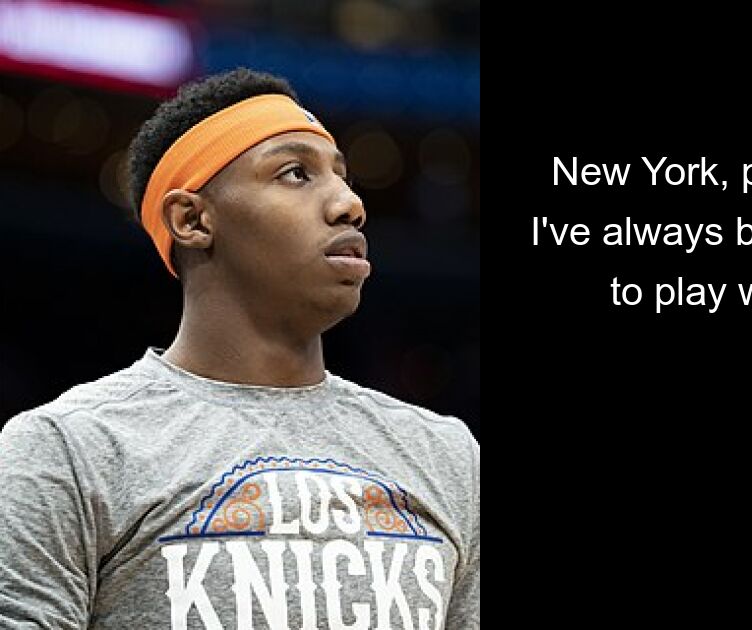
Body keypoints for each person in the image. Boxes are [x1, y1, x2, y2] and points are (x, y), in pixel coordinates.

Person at [0, 68, 479, 629]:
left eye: (343, 178)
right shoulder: (68, 451)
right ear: (193, 219)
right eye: (296, 173)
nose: (350, 204)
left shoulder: (446, 454)